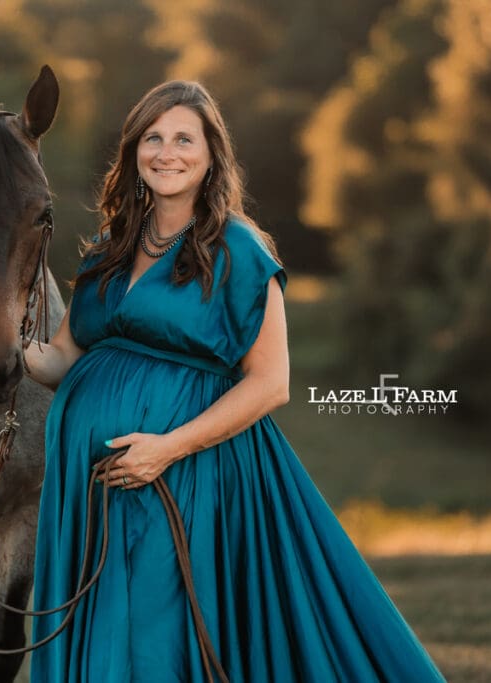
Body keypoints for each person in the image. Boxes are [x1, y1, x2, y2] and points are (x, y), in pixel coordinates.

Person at [23, 80, 445, 682]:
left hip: (186, 476)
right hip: (90, 488)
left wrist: (168, 448)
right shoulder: (107, 250)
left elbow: (271, 382)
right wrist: (6, 347)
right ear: (134, 152)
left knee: (155, 639)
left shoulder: (239, 249)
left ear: (212, 154)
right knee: (102, 629)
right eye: (153, 138)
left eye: (184, 139)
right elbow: (65, 356)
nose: (167, 152)